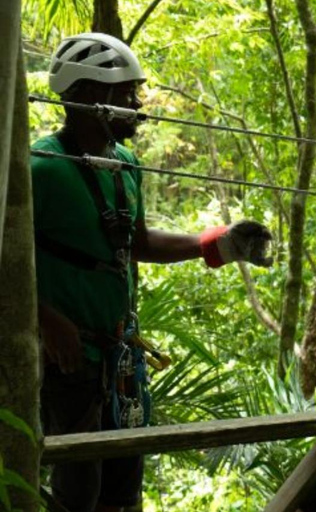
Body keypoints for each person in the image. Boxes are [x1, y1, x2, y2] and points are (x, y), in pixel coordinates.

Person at [33, 32, 272, 512]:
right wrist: (44, 318)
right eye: (124, 94)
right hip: (67, 362)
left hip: (119, 358)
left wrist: (221, 244)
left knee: (123, 491)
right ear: (83, 96)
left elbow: (137, 243)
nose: (138, 104)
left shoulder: (124, 164)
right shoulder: (40, 168)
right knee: (76, 494)